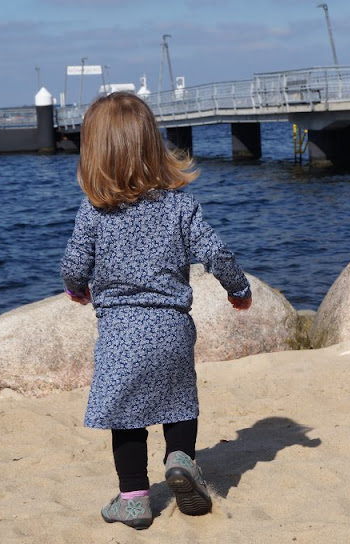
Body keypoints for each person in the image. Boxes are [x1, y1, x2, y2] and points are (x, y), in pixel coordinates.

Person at [60, 92, 252, 530]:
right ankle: (181, 459)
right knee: (179, 401)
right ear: (153, 146)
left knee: (126, 418)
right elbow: (216, 254)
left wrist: (75, 288)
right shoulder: (181, 206)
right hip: (171, 327)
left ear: (94, 154)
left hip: (120, 333)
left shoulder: (94, 211)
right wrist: (238, 288)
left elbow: (74, 265)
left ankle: (134, 500)